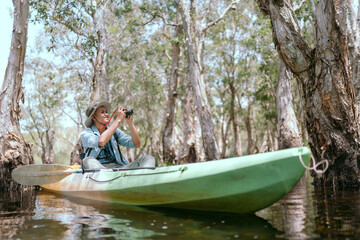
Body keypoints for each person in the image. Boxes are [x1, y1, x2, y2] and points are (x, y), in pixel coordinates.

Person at [80, 101, 155, 169]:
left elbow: (137, 144)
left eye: (106, 112)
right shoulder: (86, 133)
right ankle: (107, 178)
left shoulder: (114, 131)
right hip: (98, 170)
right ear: (93, 117)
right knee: (87, 160)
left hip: (118, 168)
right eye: (102, 112)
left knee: (148, 158)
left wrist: (130, 123)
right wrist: (118, 120)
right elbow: (101, 142)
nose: (106, 114)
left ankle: (141, 179)